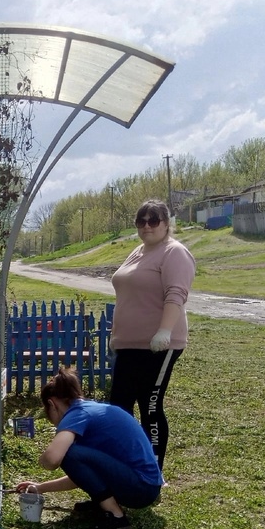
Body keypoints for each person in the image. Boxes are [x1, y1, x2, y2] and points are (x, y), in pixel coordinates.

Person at [15, 368, 163, 529]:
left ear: (51, 404)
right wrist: (41, 488)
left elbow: (52, 460)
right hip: (146, 485)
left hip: (140, 486)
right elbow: (84, 474)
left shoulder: (77, 414)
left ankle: (115, 516)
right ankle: (103, 504)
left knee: (69, 453)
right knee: (71, 454)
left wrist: (42, 460)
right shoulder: (90, 408)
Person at [109, 199, 196, 470]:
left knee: (150, 406)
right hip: (129, 346)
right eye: (141, 221)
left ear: (167, 223)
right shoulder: (139, 251)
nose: (147, 226)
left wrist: (164, 331)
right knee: (119, 408)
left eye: (154, 220)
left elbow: (176, 294)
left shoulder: (174, 252)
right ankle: (125, 465)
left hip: (158, 346)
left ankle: (153, 472)